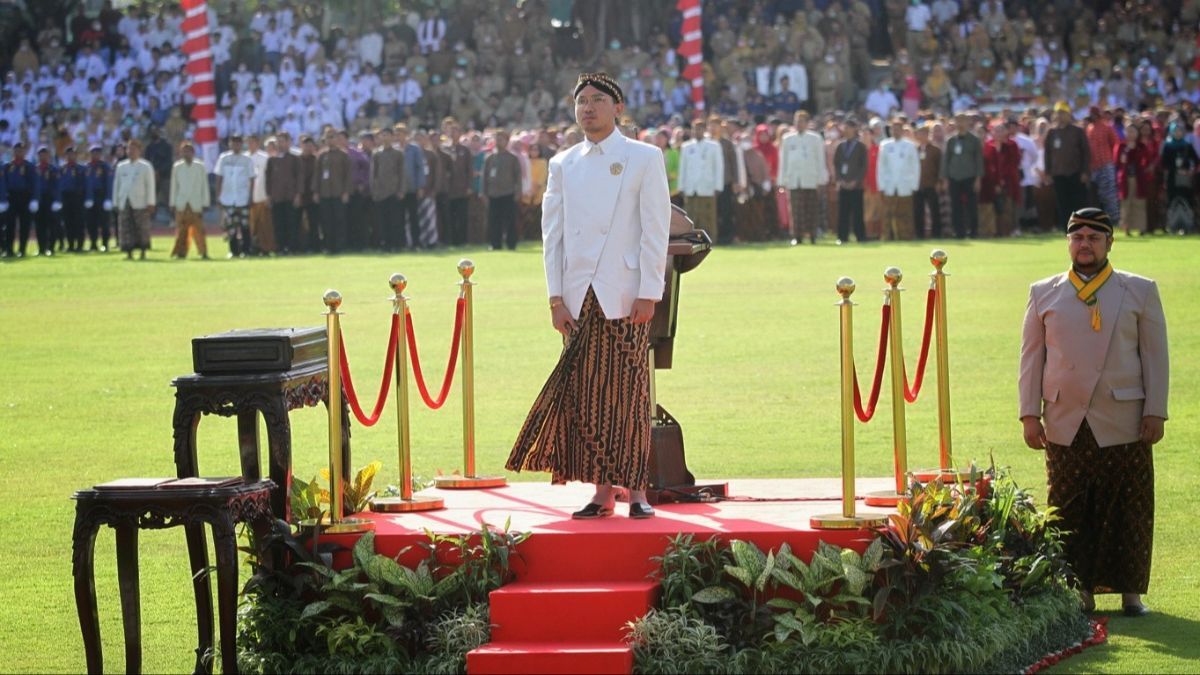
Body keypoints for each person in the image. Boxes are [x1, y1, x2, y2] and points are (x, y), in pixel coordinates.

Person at [507, 72, 671, 520]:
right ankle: (602, 491)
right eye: (582, 102)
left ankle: (637, 489)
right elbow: (552, 236)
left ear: (618, 109)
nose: (589, 109)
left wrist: (649, 291)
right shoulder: (564, 163)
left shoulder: (644, 157)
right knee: (586, 395)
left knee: (629, 393)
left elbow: (655, 230)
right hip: (579, 297)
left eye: (599, 100)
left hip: (625, 292)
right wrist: (554, 298)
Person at [1018, 207, 1168, 618]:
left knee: (1129, 506)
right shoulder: (1043, 292)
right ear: (1068, 242)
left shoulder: (1139, 290)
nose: (1085, 244)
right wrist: (1029, 414)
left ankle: (1131, 593)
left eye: (1094, 237)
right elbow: (1031, 359)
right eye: (1078, 237)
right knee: (1068, 507)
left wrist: (1156, 409)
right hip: (1066, 417)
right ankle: (1078, 589)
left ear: (1109, 243)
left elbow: (1155, 357)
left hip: (1124, 416)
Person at [779, 110, 828, 245]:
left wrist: (821, 179)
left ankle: (812, 235)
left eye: (801, 121)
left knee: (811, 209)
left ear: (807, 123)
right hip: (794, 179)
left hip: (811, 178)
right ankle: (797, 236)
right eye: (796, 121)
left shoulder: (815, 138)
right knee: (795, 210)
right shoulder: (788, 139)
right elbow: (783, 161)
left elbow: (820, 160)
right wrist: (782, 181)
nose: (798, 124)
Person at [1045, 102, 1091, 228]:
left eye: (1063, 113)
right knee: (1062, 203)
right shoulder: (1051, 132)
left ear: (1069, 115)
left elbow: (1086, 153)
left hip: (1075, 173)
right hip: (1058, 174)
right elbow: (1047, 154)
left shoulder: (1078, 131)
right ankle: (1067, 229)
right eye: (1058, 113)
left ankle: (1081, 227)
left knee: (1078, 202)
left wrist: (1085, 172)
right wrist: (1048, 172)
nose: (1060, 116)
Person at [677, 118, 723, 240]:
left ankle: (710, 239)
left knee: (708, 215)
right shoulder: (686, 146)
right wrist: (681, 186)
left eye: (700, 129)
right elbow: (683, 168)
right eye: (695, 129)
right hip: (691, 186)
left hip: (707, 186)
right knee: (691, 215)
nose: (697, 131)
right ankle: (692, 239)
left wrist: (718, 186)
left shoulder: (713, 145)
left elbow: (718, 167)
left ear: (704, 130)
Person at [876, 119, 920, 240]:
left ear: (902, 130)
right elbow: (881, 167)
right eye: (893, 129)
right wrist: (881, 185)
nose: (895, 131)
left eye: (898, 128)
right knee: (887, 213)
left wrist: (914, 185)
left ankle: (906, 236)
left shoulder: (910, 146)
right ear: (890, 130)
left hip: (905, 184)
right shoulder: (885, 145)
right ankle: (887, 236)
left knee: (905, 212)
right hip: (889, 184)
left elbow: (915, 166)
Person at [112, 138, 155, 260]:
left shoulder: (146, 166)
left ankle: (143, 252)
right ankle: (128, 252)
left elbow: (150, 186)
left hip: (140, 201)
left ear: (139, 151)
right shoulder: (121, 166)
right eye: (129, 149)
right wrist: (116, 202)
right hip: (125, 200)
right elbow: (117, 185)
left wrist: (151, 202)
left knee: (142, 227)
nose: (131, 151)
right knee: (125, 227)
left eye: (134, 149)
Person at [214, 135, 255, 257]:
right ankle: (233, 251)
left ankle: (246, 250)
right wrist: (218, 195)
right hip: (228, 197)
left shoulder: (247, 160)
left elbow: (251, 179)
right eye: (233, 143)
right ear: (230, 144)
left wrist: (250, 196)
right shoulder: (224, 158)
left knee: (245, 226)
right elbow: (219, 177)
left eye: (238, 143)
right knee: (231, 226)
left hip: (242, 198)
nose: (236, 145)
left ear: (242, 144)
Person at [168, 141, 211, 259]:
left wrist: (205, 202)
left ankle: (203, 252)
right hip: (181, 202)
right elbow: (174, 186)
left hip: (196, 202)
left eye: (188, 151)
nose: (186, 153)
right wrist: (172, 203)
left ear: (193, 153)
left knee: (199, 230)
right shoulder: (177, 167)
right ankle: (180, 252)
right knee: (181, 230)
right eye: (184, 151)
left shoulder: (200, 166)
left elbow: (204, 186)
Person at [312, 130, 352, 253]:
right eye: (328, 138)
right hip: (325, 193)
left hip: (338, 193)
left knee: (339, 221)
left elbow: (348, 175)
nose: (330, 140)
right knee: (326, 221)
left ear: (337, 139)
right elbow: (317, 175)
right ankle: (329, 246)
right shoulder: (322, 155)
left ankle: (340, 246)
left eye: (332, 137)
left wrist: (346, 192)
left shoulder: (343, 155)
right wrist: (316, 192)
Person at [265, 131, 303, 254]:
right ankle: (280, 247)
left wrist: (298, 194)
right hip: (277, 197)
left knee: (292, 224)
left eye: (282, 141)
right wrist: (269, 195)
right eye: (278, 141)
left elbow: (299, 177)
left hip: (290, 196)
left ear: (288, 142)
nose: (280, 144)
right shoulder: (272, 160)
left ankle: (293, 248)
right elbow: (268, 179)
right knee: (278, 224)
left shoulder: (295, 159)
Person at [482, 129, 522, 250]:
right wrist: (483, 193)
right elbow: (484, 177)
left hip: (508, 193)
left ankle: (511, 243)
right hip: (493, 194)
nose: (498, 141)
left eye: (501, 139)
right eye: (497, 139)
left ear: (507, 141)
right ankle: (495, 244)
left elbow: (518, 177)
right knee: (494, 221)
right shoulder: (489, 158)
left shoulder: (512, 158)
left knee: (510, 221)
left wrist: (518, 192)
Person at [370, 126, 405, 251]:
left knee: (395, 220)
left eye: (387, 135)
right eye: (383, 135)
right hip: (380, 193)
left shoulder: (398, 154)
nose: (385, 138)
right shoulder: (377, 154)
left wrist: (401, 190)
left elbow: (401, 173)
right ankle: (384, 244)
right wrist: (374, 191)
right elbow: (373, 174)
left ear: (392, 137)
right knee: (381, 221)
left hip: (394, 192)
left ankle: (396, 244)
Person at [834, 119, 868, 244]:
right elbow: (836, 164)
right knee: (843, 212)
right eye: (845, 128)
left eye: (849, 128)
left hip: (856, 186)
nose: (847, 130)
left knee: (858, 212)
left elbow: (863, 166)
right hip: (843, 184)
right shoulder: (840, 146)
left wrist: (856, 181)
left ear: (855, 129)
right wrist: (840, 180)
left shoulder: (860, 146)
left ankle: (860, 236)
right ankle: (842, 237)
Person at [1115, 125, 1151, 236]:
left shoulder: (1141, 146)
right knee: (1126, 203)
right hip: (1125, 178)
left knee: (1139, 202)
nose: (1131, 134)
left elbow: (1147, 160)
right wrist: (1125, 153)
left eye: (1133, 131)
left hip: (1138, 178)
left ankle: (1141, 228)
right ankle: (1126, 228)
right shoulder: (1121, 146)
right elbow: (1117, 161)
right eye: (1128, 131)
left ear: (1137, 133)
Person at [913, 125, 942, 238]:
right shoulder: (914, 150)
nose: (922, 136)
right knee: (918, 211)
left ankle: (937, 233)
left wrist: (939, 182)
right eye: (920, 133)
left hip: (932, 184)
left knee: (934, 209)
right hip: (918, 185)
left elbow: (939, 167)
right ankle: (919, 234)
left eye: (925, 133)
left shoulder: (935, 150)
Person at [33, 146, 63, 256]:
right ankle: (41, 248)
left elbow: (57, 186)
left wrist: (57, 200)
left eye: (45, 154)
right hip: (39, 199)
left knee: (52, 225)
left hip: (50, 199)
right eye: (41, 154)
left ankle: (51, 248)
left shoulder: (53, 169)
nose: (43, 156)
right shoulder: (35, 169)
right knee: (39, 225)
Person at [83, 145, 113, 252]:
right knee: (91, 222)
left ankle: (105, 243)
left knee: (104, 222)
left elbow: (109, 183)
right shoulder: (86, 167)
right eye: (93, 153)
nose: (95, 155)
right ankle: (93, 243)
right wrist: (87, 198)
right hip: (90, 197)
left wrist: (108, 198)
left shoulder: (105, 167)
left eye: (97, 153)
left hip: (101, 196)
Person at [59, 147, 88, 253]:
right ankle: (70, 245)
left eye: (72, 154)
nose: (70, 156)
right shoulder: (62, 169)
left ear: (76, 155)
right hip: (66, 197)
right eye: (68, 154)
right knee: (68, 222)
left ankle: (80, 245)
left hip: (78, 197)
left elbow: (85, 184)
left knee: (79, 222)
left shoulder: (81, 169)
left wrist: (86, 198)